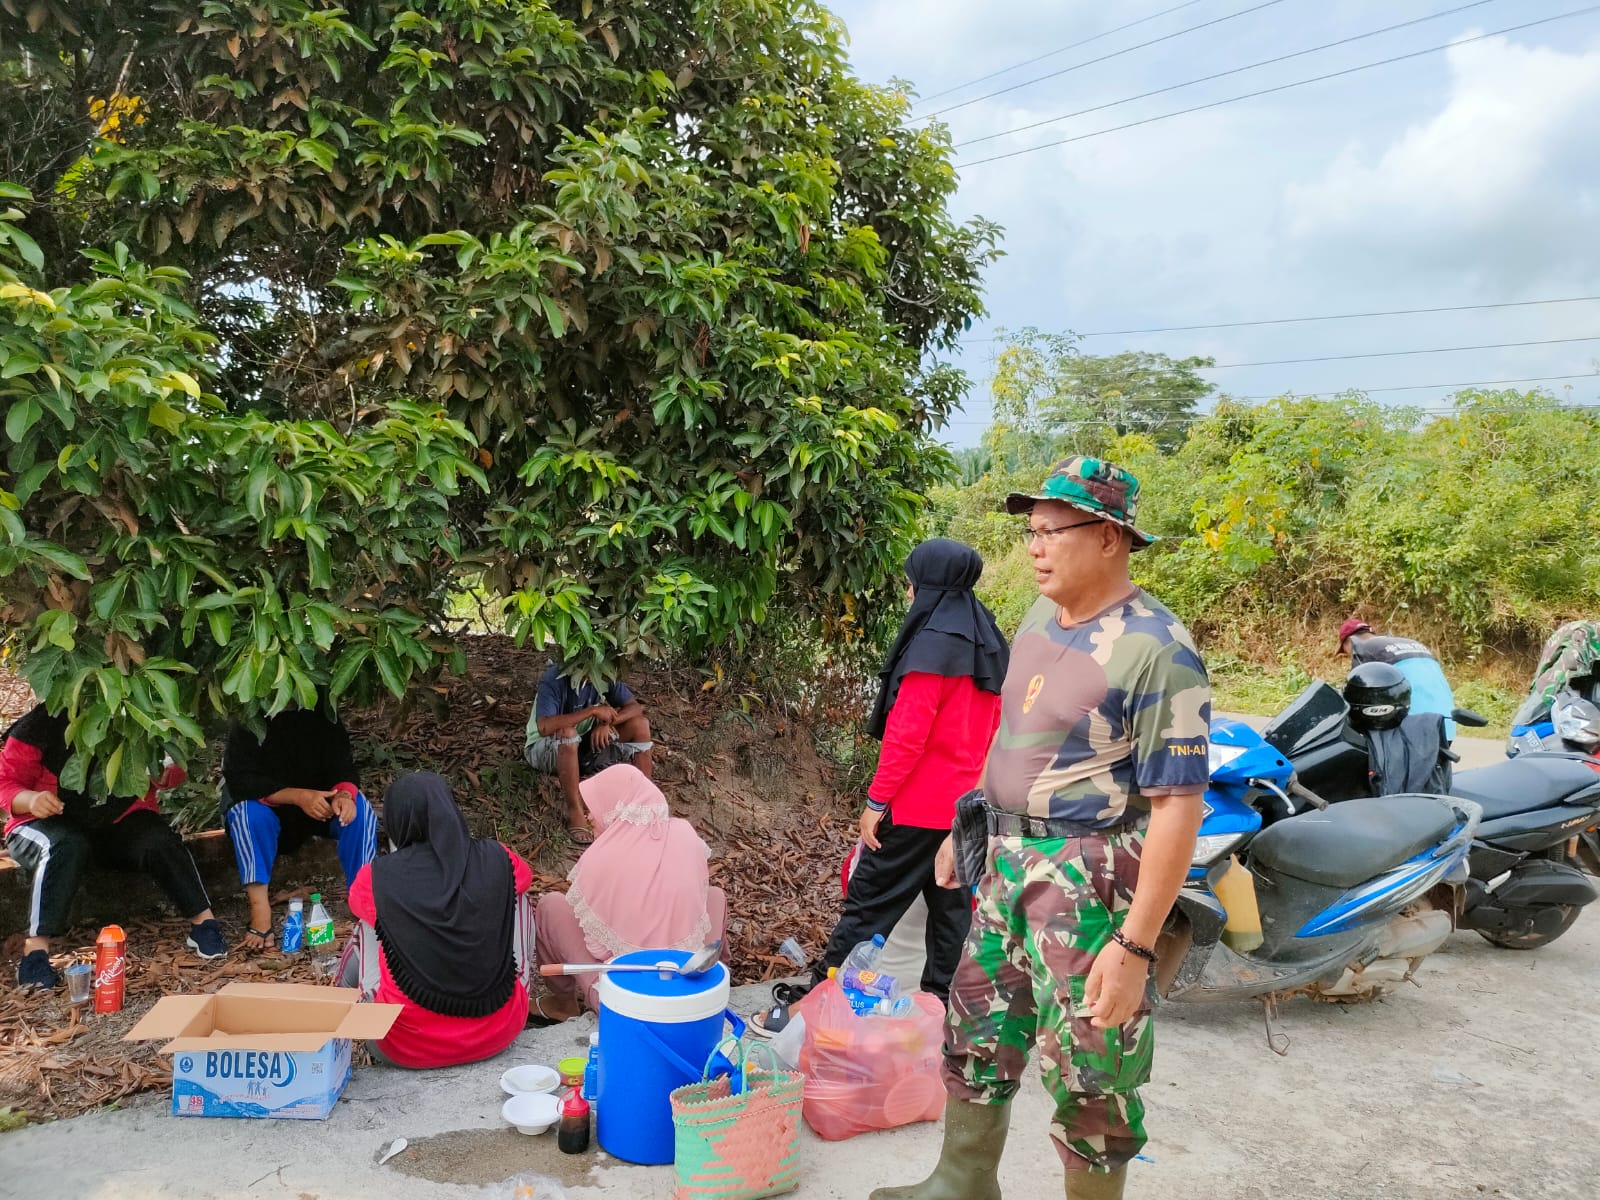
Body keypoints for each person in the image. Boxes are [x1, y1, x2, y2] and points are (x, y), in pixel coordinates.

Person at [872, 457, 1210, 1200]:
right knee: (978, 1027)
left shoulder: (1157, 648)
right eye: (1031, 529)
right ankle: (962, 1182)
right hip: (1004, 860)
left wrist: (1135, 945)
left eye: (1054, 530)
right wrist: (969, 827)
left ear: (1111, 538)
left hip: (1089, 880)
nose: (1035, 545)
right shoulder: (1035, 618)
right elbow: (1013, 734)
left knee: (1093, 1070)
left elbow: (1179, 808)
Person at [750, 538, 1008, 1036]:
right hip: (967, 812)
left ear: (928, 584)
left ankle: (805, 1013)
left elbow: (906, 739)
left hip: (915, 810)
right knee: (952, 918)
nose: (908, 590)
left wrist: (876, 802)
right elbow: (997, 733)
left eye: (911, 580)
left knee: (868, 909)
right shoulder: (990, 644)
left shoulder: (932, 648)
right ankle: (942, 1017)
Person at [1, 704, 226, 987]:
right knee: (66, 844)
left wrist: (165, 774)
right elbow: (5, 783)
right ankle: (35, 951)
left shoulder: (137, 713)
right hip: (39, 824)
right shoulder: (38, 726)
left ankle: (204, 923)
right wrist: (30, 799)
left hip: (116, 820)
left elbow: (170, 770)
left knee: (158, 840)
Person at [344, 772, 533, 1069]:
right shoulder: (499, 857)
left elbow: (355, 900)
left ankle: (355, 1004)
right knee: (516, 890)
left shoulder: (376, 876)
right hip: (499, 1031)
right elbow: (526, 877)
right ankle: (518, 986)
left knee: (368, 917)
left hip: (401, 1044)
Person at [532, 764, 724, 1022]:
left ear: (619, 809)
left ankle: (563, 1003)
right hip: (687, 984)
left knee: (551, 905)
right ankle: (717, 978)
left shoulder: (602, 858)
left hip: (625, 1001)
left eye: (595, 808)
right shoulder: (684, 834)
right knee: (714, 896)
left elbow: (598, 947)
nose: (589, 817)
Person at [221, 707, 378, 949]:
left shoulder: (322, 711)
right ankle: (260, 911)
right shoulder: (248, 718)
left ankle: (362, 900)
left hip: (320, 806)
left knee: (360, 810)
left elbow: (343, 765)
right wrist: (298, 796)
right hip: (266, 806)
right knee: (246, 815)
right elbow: (241, 781)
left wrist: (344, 795)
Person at [524, 661, 653, 844]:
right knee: (568, 733)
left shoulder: (603, 671)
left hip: (582, 748)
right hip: (544, 749)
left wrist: (607, 724)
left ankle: (644, 804)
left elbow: (635, 707)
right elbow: (545, 726)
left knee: (640, 725)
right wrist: (592, 711)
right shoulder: (554, 678)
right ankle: (575, 812)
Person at [1338, 618, 1457, 741]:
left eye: (1346, 652)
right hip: (1446, 726)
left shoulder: (1364, 648)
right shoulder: (1411, 643)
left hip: (1413, 729)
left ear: (1349, 642)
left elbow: (1356, 691)